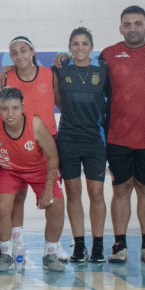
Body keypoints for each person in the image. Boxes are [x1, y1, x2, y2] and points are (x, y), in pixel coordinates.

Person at [97, 5, 145, 264]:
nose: (133, 28)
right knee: (121, 190)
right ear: (121, 28)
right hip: (117, 136)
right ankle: (119, 244)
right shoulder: (108, 55)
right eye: (127, 24)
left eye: (137, 23)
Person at [0, 88, 66, 274]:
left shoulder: (36, 125)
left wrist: (48, 190)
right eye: (5, 109)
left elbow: (53, 157)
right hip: (10, 170)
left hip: (39, 169)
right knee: (1, 206)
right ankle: (6, 253)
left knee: (57, 206)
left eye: (15, 108)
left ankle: (50, 255)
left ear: (23, 106)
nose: (10, 113)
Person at [52, 28, 108, 263]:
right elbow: (57, 100)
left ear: (91, 47)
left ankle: (97, 247)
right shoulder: (61, 69)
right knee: (73, 193)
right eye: (75, 43)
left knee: (96, 193)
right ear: (69, 46)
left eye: (85, 43)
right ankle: (79, 246)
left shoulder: (102, 70)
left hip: (95, 139)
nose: (80, 48)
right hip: (68, 140)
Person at [2, 36, 56, 135]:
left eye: (23, 51)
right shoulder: (6, 78)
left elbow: (61, 104)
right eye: (14, 53)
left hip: (48, 137)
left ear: (32, 51)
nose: (19, 56)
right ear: (10, 56)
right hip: (19, 138)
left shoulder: (50, 74)